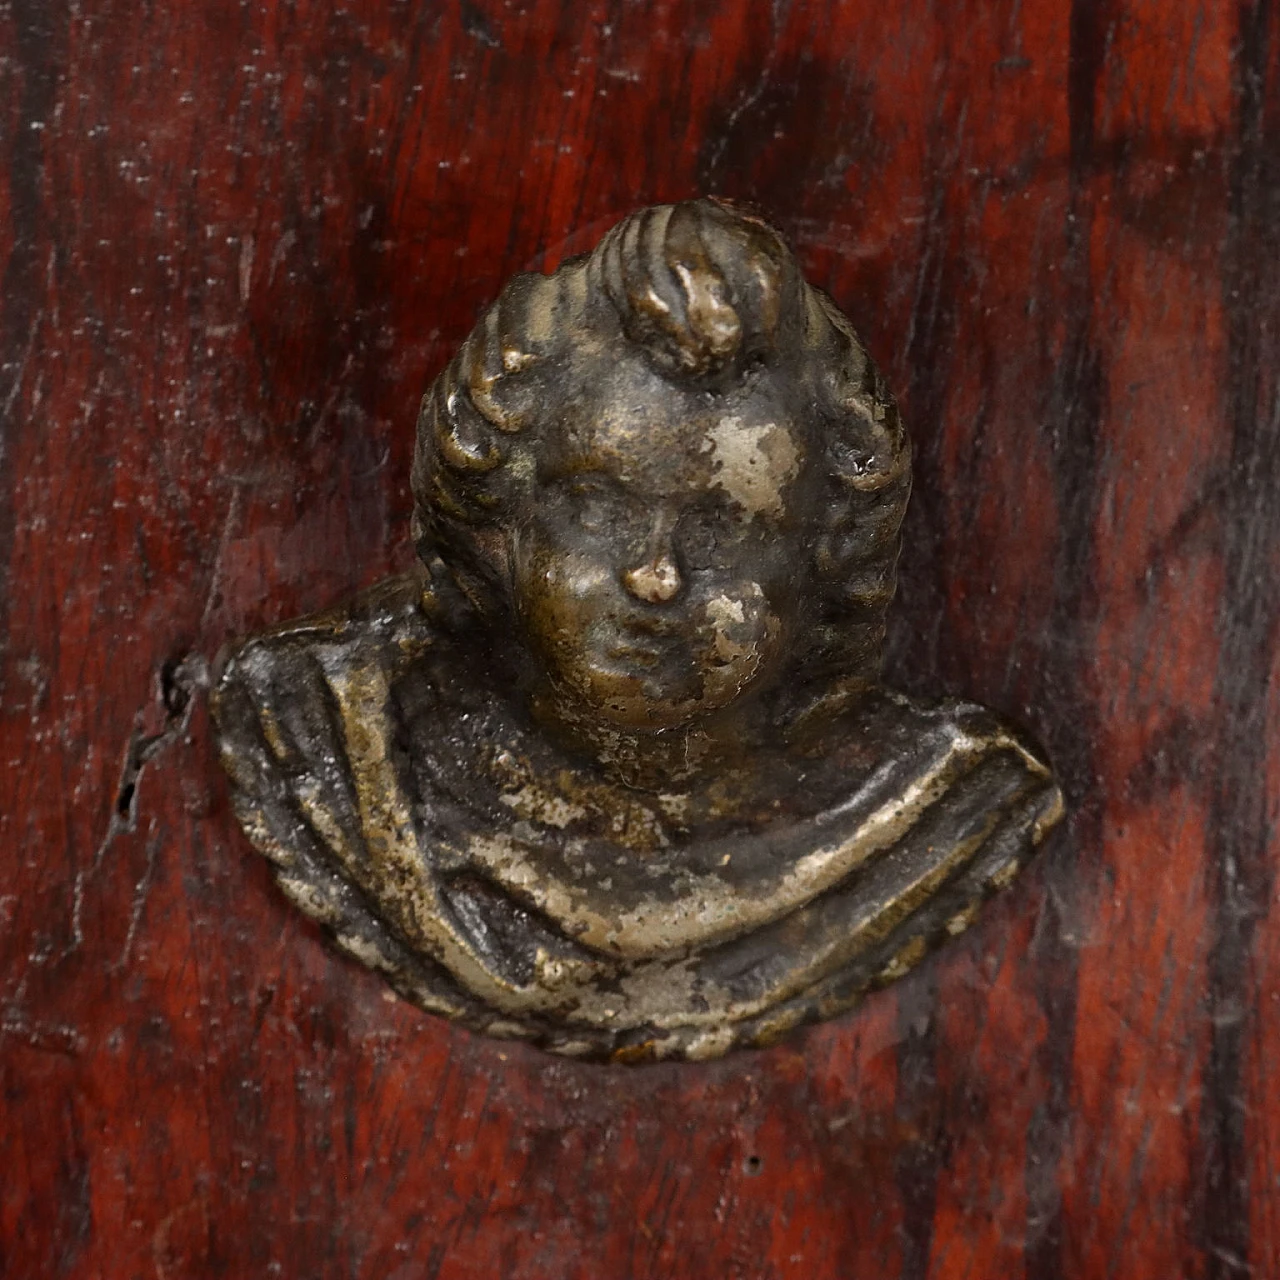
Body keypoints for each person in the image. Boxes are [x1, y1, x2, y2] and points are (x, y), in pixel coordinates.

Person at [212, 198, 1063, 1062]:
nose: (656, 579)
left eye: (726, 527)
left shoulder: (923, 817)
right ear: (498, 516)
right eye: (597, 508)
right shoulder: (335, 750)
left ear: (826, 556)